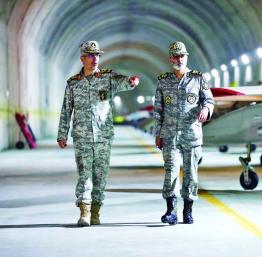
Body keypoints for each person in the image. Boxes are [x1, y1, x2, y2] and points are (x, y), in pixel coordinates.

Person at [57, 40, 140, 227]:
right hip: (82, 136)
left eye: (97, 55)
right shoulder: (73, 84)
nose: (95, 59)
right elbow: (66, 110)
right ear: (82, 58)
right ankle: (84, 212)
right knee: (84, 174)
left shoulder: (107, 78)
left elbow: (123, 83)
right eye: (91, 55)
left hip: (103, 136)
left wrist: (131, 82)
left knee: (100, 175)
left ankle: (96, 211)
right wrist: (62, 133)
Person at [154, 41, 214, 225]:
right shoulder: (163, 81)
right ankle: (171, 211)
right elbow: (158, 109)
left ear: (186, 57)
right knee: (170, 172)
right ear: (170, 58)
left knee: (190, 174)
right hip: (170, 134)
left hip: (191, 134)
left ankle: (188, 211)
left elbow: (209, 100)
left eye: (182, 56)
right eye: (175, 56)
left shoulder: (198, 78)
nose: (179, 59)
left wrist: (206, 109)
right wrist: (158, 133)